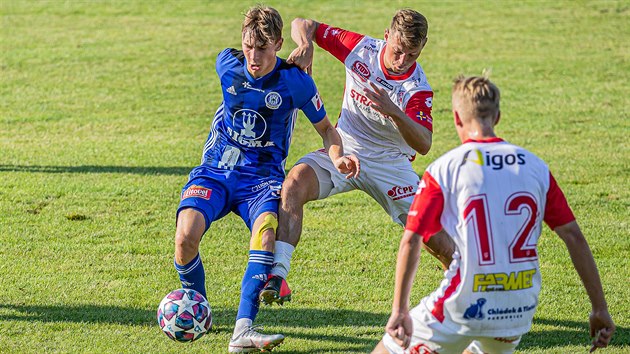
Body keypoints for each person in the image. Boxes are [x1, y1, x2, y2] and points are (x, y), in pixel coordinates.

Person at [373, 75, 615, 353]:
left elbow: (411, 240)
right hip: (516, 309)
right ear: (497, 117)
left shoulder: (445, 169)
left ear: (456, 118)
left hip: (462, 305)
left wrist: (400, 310)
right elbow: (574, 237)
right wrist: (599, 308)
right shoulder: (535, 167)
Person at [172, 5, 359, 353]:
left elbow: (327, 131)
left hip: (261, 178)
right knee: (185, 238)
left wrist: (339, 157)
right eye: (248, 47)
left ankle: (243, 329)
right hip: (216, 170)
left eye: (262, 48)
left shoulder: (295, 82)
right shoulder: (226, 65)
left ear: (277, 43)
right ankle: (197, 307)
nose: (253, 57)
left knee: (267, 235)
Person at [260, 9, 449, 306]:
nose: (402, 61)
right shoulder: (361, 49)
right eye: (398, 51)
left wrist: (394, 112)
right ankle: (278, 275)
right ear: (386, 37)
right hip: (344, 148)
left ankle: (465, 292)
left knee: (437, 239)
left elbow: (424, 143)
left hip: (390, 164)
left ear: (421, 49)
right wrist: (307, 44)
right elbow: (303, 24)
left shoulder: (416, 89)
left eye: (411, 55)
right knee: (294, 183)